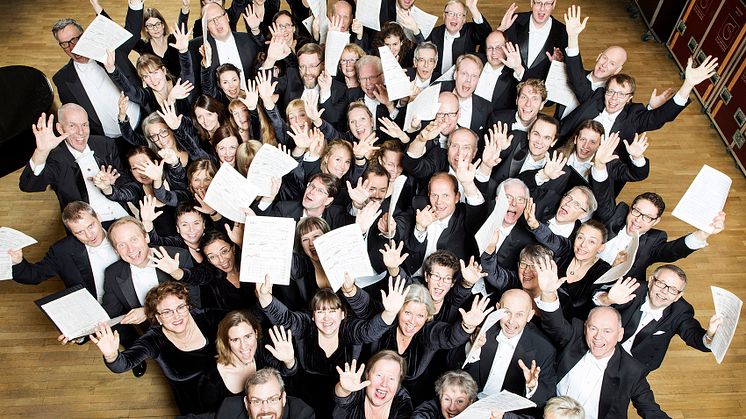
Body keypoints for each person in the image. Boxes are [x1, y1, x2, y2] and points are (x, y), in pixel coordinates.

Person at [533, 255, 670, 419]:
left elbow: (651, 411)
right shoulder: (575, 337)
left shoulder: (631, 370)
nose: (598, 337)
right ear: (585, 328)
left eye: (607, 331)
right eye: (593, 328)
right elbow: (555, 323)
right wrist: (548, 293)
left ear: (620, 335)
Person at [255, 275, 410, 417]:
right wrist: (265, 297)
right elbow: (286, 318)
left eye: (332, 310)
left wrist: (390, 313)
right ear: (313, 316)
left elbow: (369, 331)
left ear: (342, 314)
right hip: (303, 398)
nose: (327, 317)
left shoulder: (349, 330)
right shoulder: (306, 326)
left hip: (342, 401)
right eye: (321, 311)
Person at [90, 281, 224, 414]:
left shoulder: (207, 317)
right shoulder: (154, 340)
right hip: (195, 407)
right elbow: (121, 365)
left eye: (180, 307)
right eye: (167, 312)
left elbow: (239, 318)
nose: (176, 316)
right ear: (158, 318)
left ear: (188, 307)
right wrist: (111, 355)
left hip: (230, 394)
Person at [593, 265, 723, 374]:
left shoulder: (681, 311)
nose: (664, 292)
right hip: (598, 349)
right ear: (650, 282)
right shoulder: (633, 289)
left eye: (673, 290)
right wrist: (608, 299)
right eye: (661, 283)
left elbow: (693, 335)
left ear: (679, 296)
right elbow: (595, 300)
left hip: (635, 367)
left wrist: (710, 334)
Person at [19, 105, 129, 220]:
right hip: (87, 228)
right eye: (72, 126)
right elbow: (28, 185)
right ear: (60, 129)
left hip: (122, 216)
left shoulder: (106, 144)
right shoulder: (55, 158)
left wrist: (114, 183)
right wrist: (41, 152)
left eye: (84, 125)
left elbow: (125, 180)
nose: (81, 132)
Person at [594, 190, 726, 282]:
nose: (637, 220)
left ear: (656, 221)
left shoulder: (654, 241)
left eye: (647, 217)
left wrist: (703, 234)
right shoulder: (616, 215)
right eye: (636, 211)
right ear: (630, 208)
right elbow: (603, 196)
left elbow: (672, 251)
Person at [460, 289, 556, 412]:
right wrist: (473, 348)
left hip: (507, 414)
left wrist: (533, 387)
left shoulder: (544, 349)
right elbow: (451, 365)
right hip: (471, 404)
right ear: (497, 308)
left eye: (519, 314)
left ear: (530, 316)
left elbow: (547, 396)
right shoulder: (482, 328)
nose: (511, 321)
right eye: (507, 312)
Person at [51, 8, 142, 137]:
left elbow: (133, 31)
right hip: (111, 140)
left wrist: (135, 4)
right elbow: (75, 116)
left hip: (143, 121)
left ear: (84, 35)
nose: (72, 47)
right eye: (65, 44)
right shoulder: (62, 79)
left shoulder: (108, 50)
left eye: (74, 40)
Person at [9, 202, 119, 303]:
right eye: (80, 232)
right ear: (72, 233)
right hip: (97, 307)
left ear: (98, 218)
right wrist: (17, 262)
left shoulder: (121, 228)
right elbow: (34, 276)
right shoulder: (62, 251)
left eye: (91, 226)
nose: (90, 235)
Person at [198, 311, 298, 412]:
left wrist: (289, 361)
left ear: (256, 334)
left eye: (247, 336)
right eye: (235, 339)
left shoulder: (262, 352)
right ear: (226, 342)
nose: (244, 346)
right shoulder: (211, 381)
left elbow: (286, 376)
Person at [398, 170, 487, 274]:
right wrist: (420, 229)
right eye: (434, 195)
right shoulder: (419, 206)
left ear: (457, 197)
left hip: (446, 283)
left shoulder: (465, 215)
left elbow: (478, 210)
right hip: (414, 276)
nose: (439, 202)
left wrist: (468, 184)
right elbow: (411, 247)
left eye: (445, 196)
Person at [557, 5, 628, 119]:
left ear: (617, 70)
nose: (604, 64)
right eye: (604, 58)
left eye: (612, 64)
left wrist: (573, 38)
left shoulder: (608, 97)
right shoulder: (575, 73)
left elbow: (579, 82)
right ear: (598, 56)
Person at [176, 367, 315, 419]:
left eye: (272, 399)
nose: (265, 409)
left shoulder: (301, 414)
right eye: (256, 401)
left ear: (283, 399)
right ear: (246, 403)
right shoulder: (230, 409)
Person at [189, 2, 263, 93]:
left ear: (227, 17)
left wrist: (256, 29)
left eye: (219, 17)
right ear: (206, 27)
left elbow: (266, 54)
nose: (217, 23)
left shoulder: (248, 39)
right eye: (211, 20)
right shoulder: (195, 47)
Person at [500, 0, 568, 81]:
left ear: (554, 5)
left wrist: (557, 65)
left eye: (547, 3)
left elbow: (567, 76)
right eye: (538, 2)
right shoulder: (513, 20)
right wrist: (501, 29)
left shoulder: (563, 32)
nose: (542, 8)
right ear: (532, 2)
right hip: (507, 89)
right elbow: (488, 53)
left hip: (540, 90)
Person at [333, 351, 413, 418]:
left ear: (398, 383)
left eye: (391, 378)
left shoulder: (402, 402)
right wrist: (345, 389)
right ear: (367, 375)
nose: (384, 384)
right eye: (379, 375)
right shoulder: (358, 388)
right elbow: (343, 398)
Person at [428, 0, 491, 74]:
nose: (454, 18)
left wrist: (473, 8)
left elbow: (486, 34)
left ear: (464, 20)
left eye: (459, 15)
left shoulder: (469, 31)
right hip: (437, 80)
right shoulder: (435, 33)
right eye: (451, 13)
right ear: (444, 16)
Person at [438, 54, 492, 138]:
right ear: (455, 74)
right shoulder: (436, 95)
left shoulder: (486, 109)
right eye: (464, 74)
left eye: (474, 76)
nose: (468, 80)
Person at [473, 30, 526, 112]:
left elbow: (529, 88)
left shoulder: (513, 73)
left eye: (498, 47)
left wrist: (518, 67)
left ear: (506, 48)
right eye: (490, 48)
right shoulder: (474, 60)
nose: (494, 53)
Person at [134, 5, 190, 77]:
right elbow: (131, 34)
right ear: (146, 29)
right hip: (158, 86)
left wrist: (185, 8)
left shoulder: (173, 39)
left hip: (181, 84)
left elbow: (182, 25)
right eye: (150, 26)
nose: (155, 28)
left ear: (163, 25)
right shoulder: (143, 46)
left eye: (158, 24)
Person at [411, 370, 478, 419]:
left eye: (460, 401)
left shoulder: (481, 412)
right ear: (440, 398)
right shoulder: (430, 408)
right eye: (447, 399)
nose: (452, 408)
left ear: (470, 402)